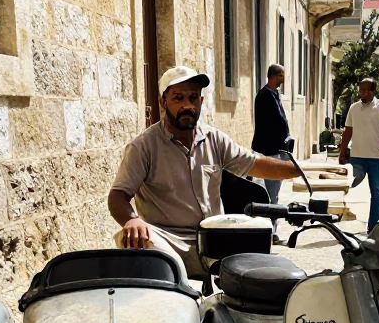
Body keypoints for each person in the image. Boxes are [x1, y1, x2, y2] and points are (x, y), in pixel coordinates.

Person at [109, 66, 301, 279]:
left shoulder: (215, 139)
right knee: (142, 245)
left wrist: (298, 171)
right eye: (178, 98)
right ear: (163, 103)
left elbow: (254, 163)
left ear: (201, 102)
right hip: (170, 241)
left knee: (269, 277)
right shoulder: (143, 147)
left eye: (193, 98)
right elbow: (118, 195)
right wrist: (131, 220)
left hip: (215, 238)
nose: (186, 105)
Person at [338, 78, 379, 231]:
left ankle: (372, 227)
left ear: (372, 91)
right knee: (348, 184)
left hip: (377, 158)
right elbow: (348, 132)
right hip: (357, 157)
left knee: (376, 193)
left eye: (364, 90)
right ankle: (338, 213)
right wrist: (342, 151)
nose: (361, 93)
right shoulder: (354, 108)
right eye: (360, 90)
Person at [251, 64, 289, 243]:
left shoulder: (274, 95)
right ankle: (270, 233)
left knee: (273, 194)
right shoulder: (265, 96)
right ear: (276, 76)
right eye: (282, 75)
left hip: (275, 150)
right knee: (270, 195)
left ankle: (271, 231)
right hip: (269, 152)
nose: (284, 79)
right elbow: (276, 122)